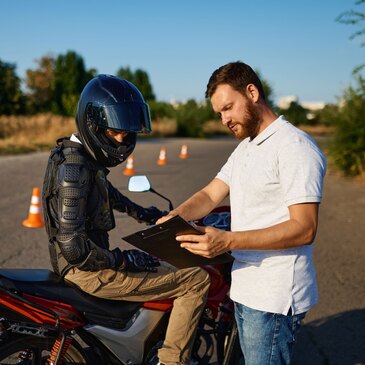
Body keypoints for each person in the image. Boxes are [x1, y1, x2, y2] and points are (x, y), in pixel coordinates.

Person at [157, 61, 326, 364]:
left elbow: (304, 228)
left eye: (228, 108)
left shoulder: (294, 147)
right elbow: (210, 193)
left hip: (274, 296)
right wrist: (176, 217)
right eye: (219, 113)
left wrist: (227, 241)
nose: (224, 119)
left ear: (252, 92)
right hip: (246, 288)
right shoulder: (248, 148)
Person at [42, 74, 210, 365]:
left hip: (90, 265)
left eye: (127, 132)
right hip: (90, 272)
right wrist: (124, 260)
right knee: (196, 279)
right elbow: (74, 249)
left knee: (159, 262)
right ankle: (172, 361)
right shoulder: (74, 170)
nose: (123, 139)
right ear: (93, 124)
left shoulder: (79, 159)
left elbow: (109, 194)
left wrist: (145, 214)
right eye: (116, 132)